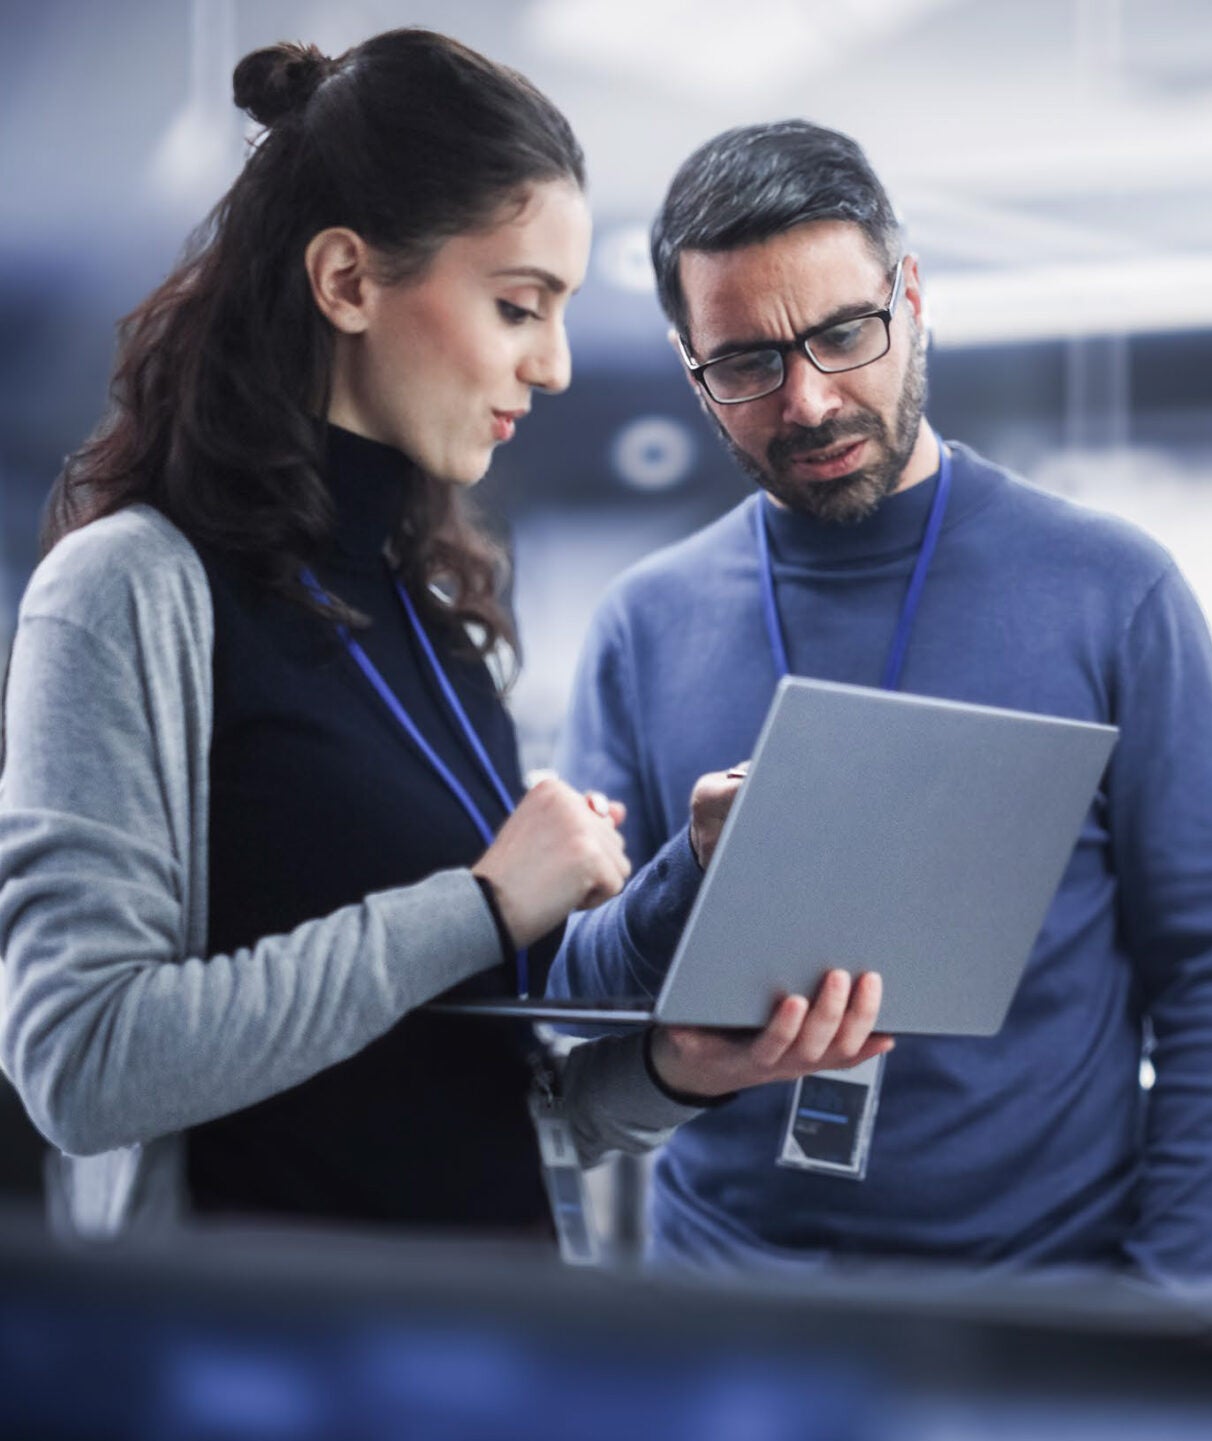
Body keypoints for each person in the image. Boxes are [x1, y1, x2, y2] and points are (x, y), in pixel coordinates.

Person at [0, 31, 885, 1241]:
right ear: (348, 282)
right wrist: (478, 905)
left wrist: (678, 1068)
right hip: (242, 1372)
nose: (558, 364)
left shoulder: (438, 626)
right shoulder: (129, 592)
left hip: (483, 1348)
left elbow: (478, 1096)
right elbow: (80, 1065)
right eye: (519, 304)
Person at [547, 121, 1212, 1298]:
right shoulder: (647, 623)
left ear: (912, 297)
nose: (810, 399)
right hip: (726, 1313)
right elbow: (576, 994)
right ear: (691, 365)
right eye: (745, 363)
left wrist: (1167, 1308)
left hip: (1037, 1317)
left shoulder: (1110, 591)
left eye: (845, 332)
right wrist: (691, 868)